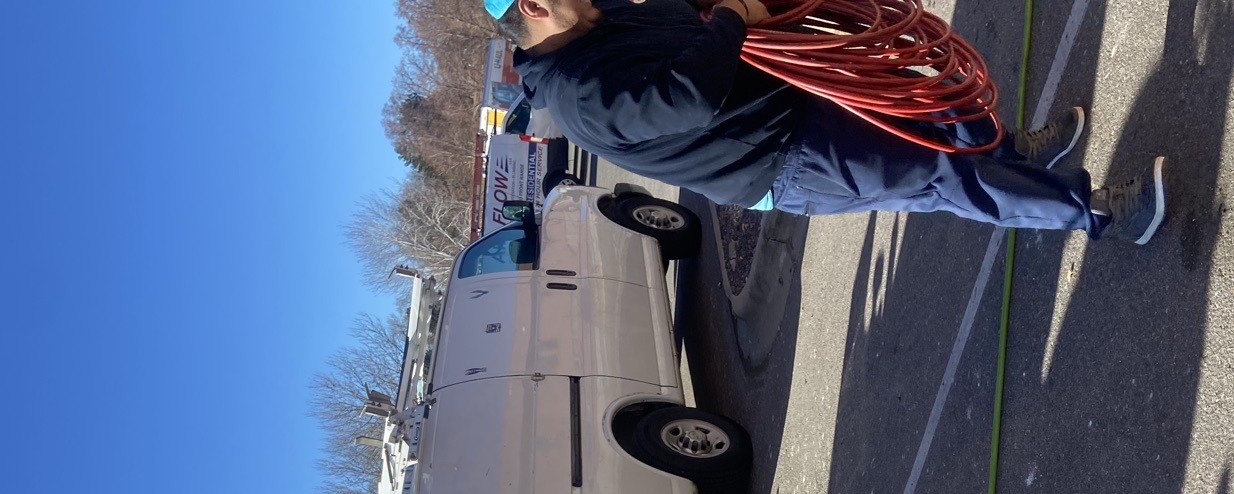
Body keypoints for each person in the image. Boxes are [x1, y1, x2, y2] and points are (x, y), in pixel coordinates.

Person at [485, 0, 1167, 244]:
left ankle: (1016, 152)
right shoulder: (578, 96)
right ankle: (1100, 214)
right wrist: (730, 19)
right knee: (933, 174)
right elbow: (686, 95)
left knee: (923, 106)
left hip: (793, 97)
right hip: (782, 158)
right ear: (535, 7)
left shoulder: (599, 19)